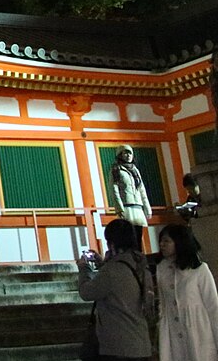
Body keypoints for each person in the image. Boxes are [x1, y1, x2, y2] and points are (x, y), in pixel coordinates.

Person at [77, 217, 153, 361]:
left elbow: (87, 292)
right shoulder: (141, 265)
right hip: (141, 342)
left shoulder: (112, 270)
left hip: (118, 345)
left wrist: (83, 268)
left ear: (111, 243)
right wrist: (103, 264)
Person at [156, 223, 218, 361]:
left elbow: (213, 307)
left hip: (199, 332)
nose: (162, 244)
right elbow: (163, 304)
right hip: (172, 332)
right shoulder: (161, 269)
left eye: (167, 240)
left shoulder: (199, 270)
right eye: (161, 240)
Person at [110, 145, 152, 229]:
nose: (128, 155)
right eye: (125, 153)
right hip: (126, 207)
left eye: (130, 153)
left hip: (138, 206)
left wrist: (147, 208)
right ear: (120, 155)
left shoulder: (135, 170)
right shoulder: (116, 170)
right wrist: (119, 208)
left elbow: (142, 189)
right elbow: (114, 190)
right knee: (128, 233)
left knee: (139, 233)